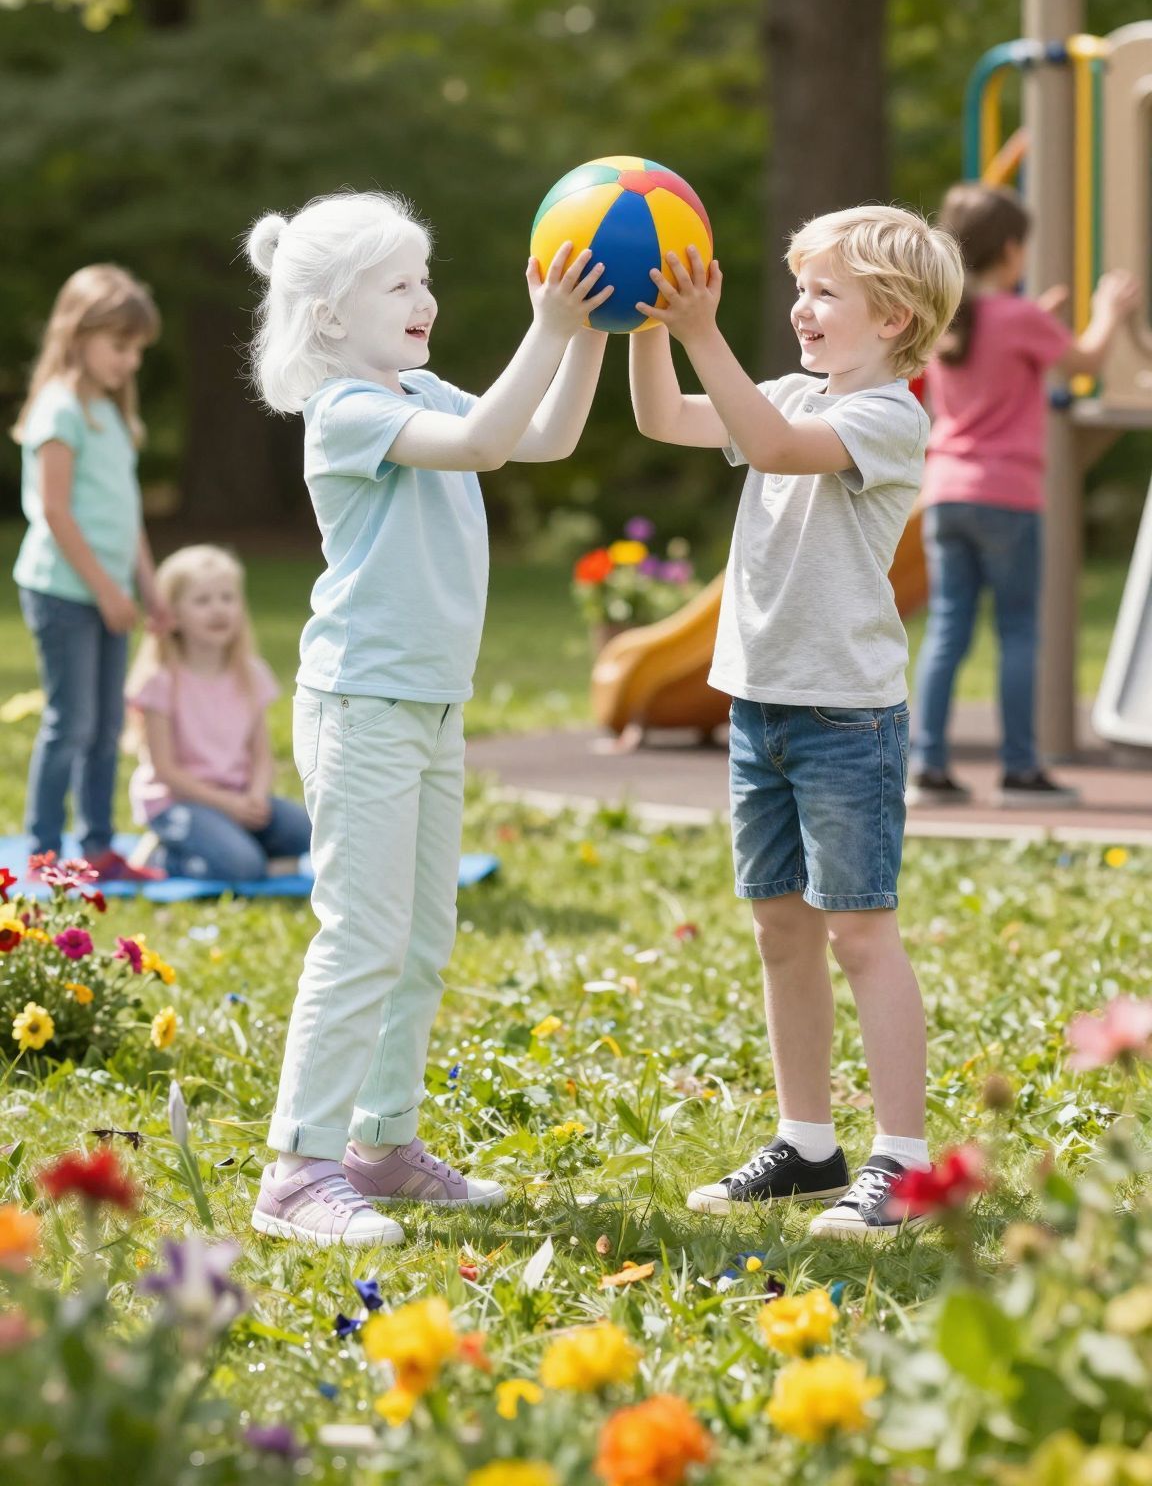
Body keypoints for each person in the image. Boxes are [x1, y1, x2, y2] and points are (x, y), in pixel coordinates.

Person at [245, 189, 612, 1247]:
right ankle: (297, 1168)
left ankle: (382, 1145)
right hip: (362, 702)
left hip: (431, 704)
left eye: (425, 276)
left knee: (420, 935)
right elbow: (490, 443)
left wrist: (585, 333)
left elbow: (541, 434)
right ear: (327, 314)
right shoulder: (347, 410)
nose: (427, 297)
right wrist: (547, 325)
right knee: (362, 931)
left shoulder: (412, 384)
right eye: (399, 282)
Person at [629, 206, 964, 1237]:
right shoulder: (782, 390)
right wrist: (647, 319)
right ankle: (808, 1141)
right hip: (759, 704)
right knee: (783, 929)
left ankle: (902, 1159)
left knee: (861, 932)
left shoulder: (887, 417)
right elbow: (660, 418)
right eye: (800, 288)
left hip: (842, 716)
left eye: (825, 292)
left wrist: (698, 328)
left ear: (895, 315)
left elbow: (772, 447)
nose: (800, 308)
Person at [909, 183, 1139, 806]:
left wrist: (1038, 312)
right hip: (1007, 496)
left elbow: (996, 352)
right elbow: (1085, 361)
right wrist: (1108, 311)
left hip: (945, 492)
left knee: (948, 629)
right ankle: (1018, 770)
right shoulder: (1020, 320)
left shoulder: (948, 318)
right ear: (1012, 249)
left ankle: (927, 764)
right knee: (1017, 631)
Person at [12, 264, 167, 884]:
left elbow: (127, 518)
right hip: (63, 593)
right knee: (70, 724)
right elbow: (53, 510)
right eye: (120, 346)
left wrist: (148, 589)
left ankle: (98, 848)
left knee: (106, 726)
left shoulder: (114, 415)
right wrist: (105, 590)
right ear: (79, 335)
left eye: (137, 350)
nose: (130, 362)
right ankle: (45, 856)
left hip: (111, 599)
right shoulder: (61, 411)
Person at [126, 544, 311, 881]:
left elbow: (262, 755)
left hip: (239, 798)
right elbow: (165, 770)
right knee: (243, 868)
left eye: (228, 598)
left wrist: (255, 796)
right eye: (202, 600)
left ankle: (234, 844)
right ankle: (166, 856)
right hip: (178, 803)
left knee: (308, 831)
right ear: (174, 615)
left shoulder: (251, 674)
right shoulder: (161, 682)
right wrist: (228, 805)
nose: (219, 609)